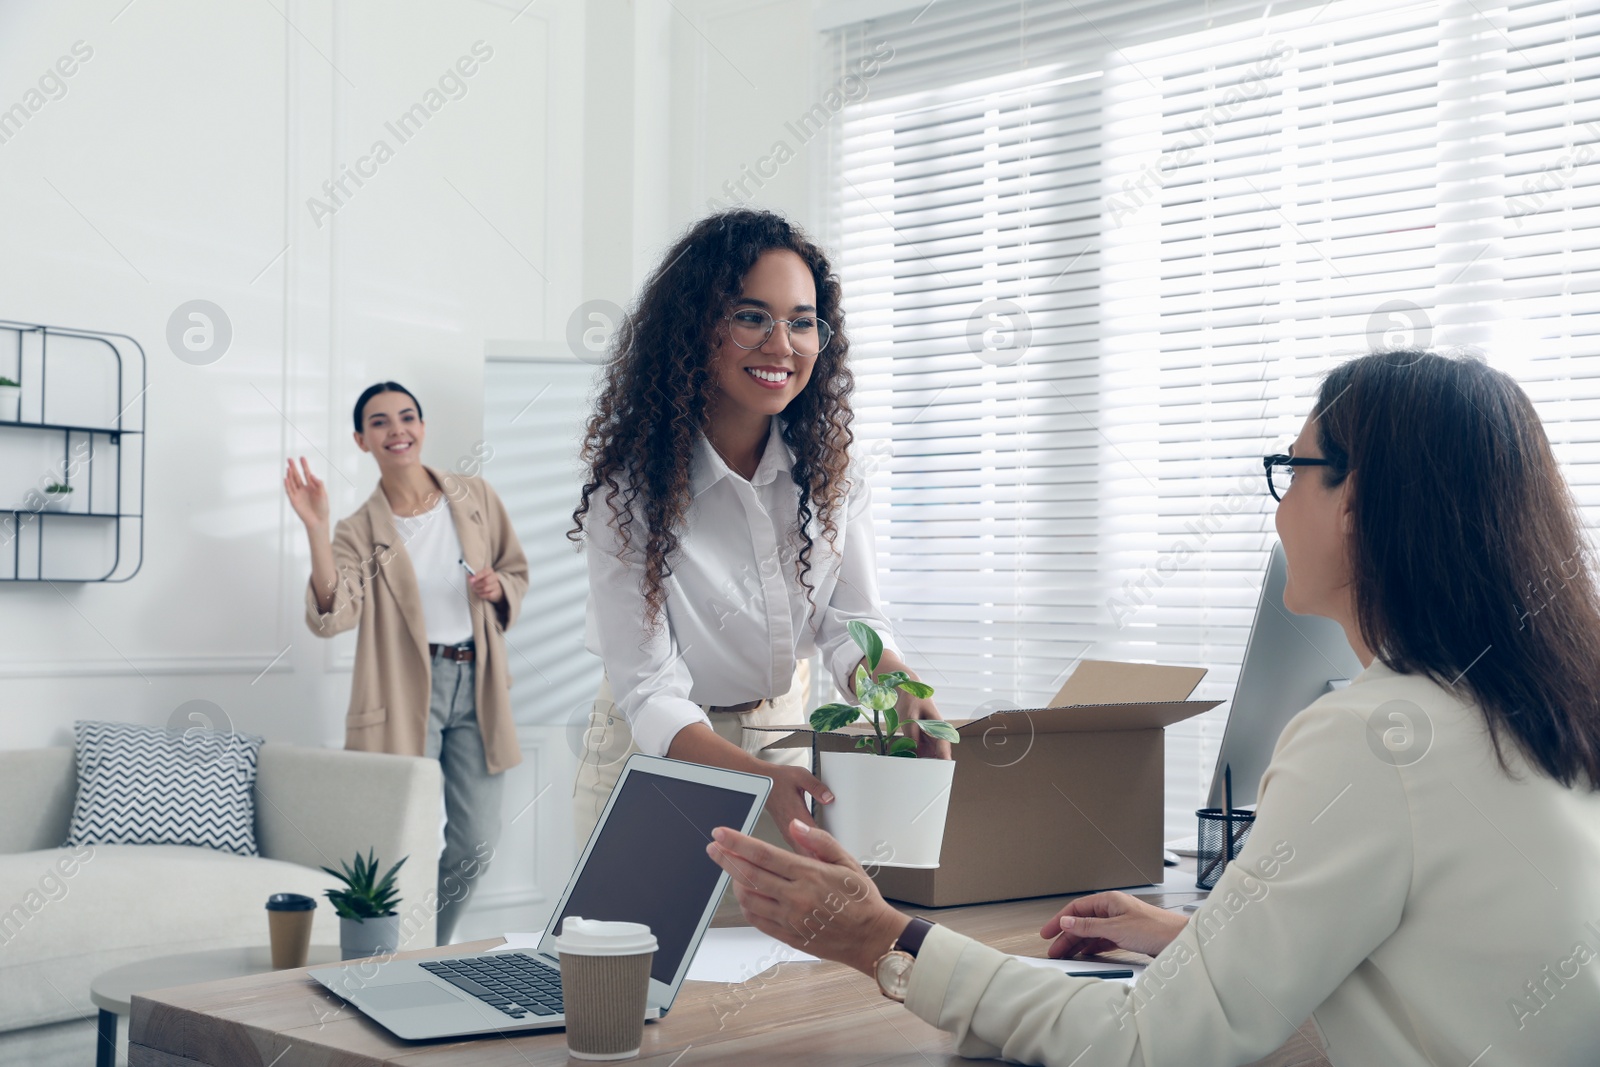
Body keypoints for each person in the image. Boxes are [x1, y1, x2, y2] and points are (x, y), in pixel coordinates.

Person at [707, 349, 1600, 1066]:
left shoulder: (1373, 738)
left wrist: (882, 938)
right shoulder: (1529, 707)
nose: (1281, 504)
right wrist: (1209, 939)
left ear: (1356, 504)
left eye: (1294, 468)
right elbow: (1444, 952)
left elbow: (1143, 1043)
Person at [569, 209, 951, 851]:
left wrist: (898, 688)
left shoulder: (831, 473)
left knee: (778, 954)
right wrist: (751, 776)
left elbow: (848, 620)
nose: (782, 344)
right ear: (694, 329)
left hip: (781, 745)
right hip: (656, 755)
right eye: (751, 317)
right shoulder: (628, 491)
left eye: (803, 322)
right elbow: (650, 691)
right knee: (634, 954)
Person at [286, 382, 529, 945]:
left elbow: (515, 572)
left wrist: (496, 589)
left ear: (422, 427)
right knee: (401, 841)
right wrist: (317, 529)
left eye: (407, 417)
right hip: (402, 690)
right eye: (380, 422)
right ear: (361, 439)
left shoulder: (475, 497)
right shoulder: (356, 529)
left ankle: (427, 948)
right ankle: (395, 960)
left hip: (479, 685)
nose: (397, 429)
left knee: (475, 846)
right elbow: (333, 615)